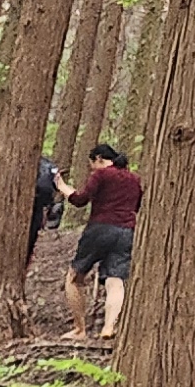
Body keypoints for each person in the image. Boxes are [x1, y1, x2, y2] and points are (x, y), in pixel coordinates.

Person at [66, 141, 143, 344]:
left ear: (99, 159)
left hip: (100, 229)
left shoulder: (101, 174)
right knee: (115, 281)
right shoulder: (134, 179)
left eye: (92, 163)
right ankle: (109, 327)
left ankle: (79, 328)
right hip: (126, 231)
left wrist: (65, 190)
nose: (92, 168)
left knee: (74, 276)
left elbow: (81, 200)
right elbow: (137, 205)